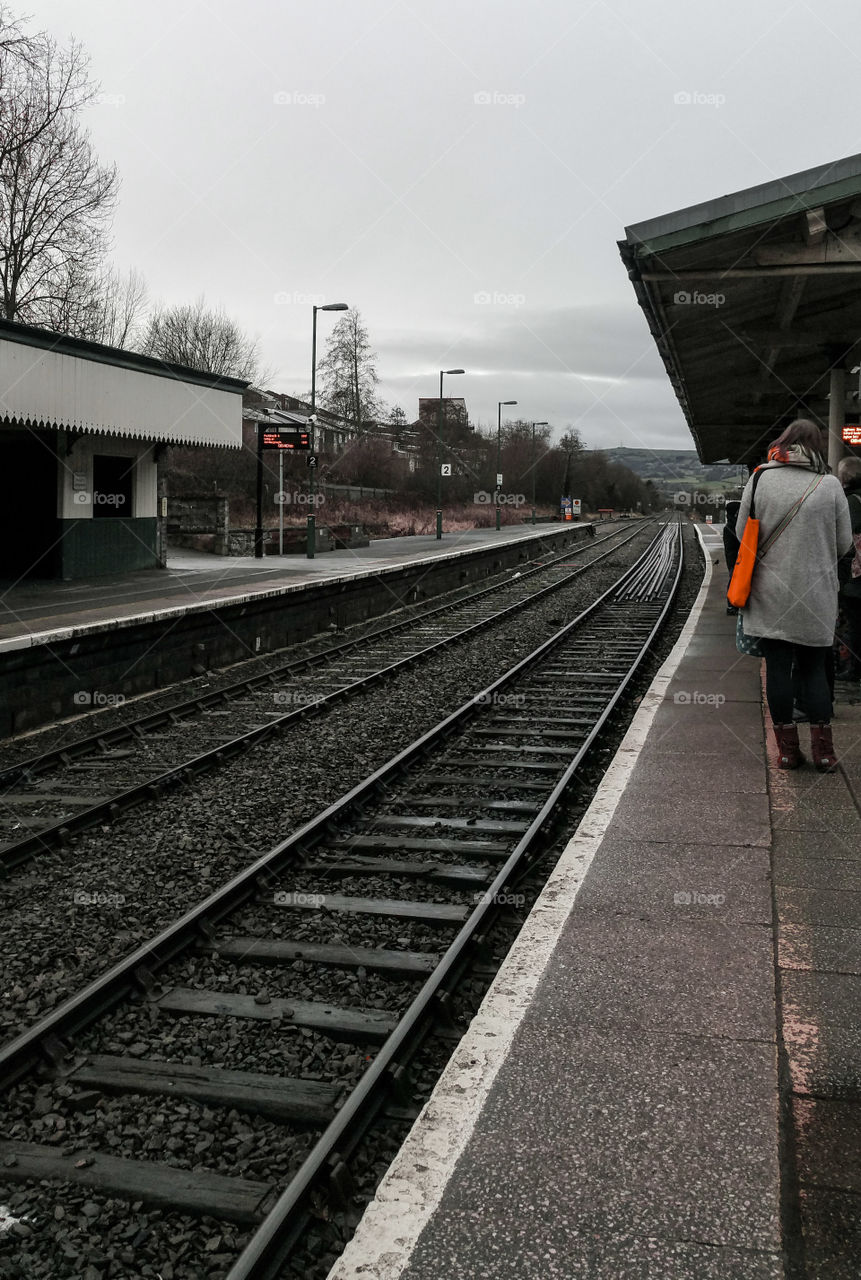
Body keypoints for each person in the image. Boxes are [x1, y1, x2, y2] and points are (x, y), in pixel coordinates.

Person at [736, 420, 852, 770]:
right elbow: (845, 543)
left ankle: (786, 751)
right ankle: (825, 752)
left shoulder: (759, 478)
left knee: (777, 668)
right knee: (815, 669)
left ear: (783, 443)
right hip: (816, 594)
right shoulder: (830, 484)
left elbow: (743, 533)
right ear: (816, 447)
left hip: (769, 593)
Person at [836, 455, 861, 682]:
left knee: (854, 622)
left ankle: (854, 669)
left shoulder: (850, 502)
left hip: (855, 575)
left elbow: (845, 539)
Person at [723, 499, 742, 615]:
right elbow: (731, 548)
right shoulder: (731, 527)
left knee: (735, 581)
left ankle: (733, 604)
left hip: (735, 559)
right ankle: (731, 605)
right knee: (733, 581)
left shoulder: (731, 525)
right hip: (734, 560)